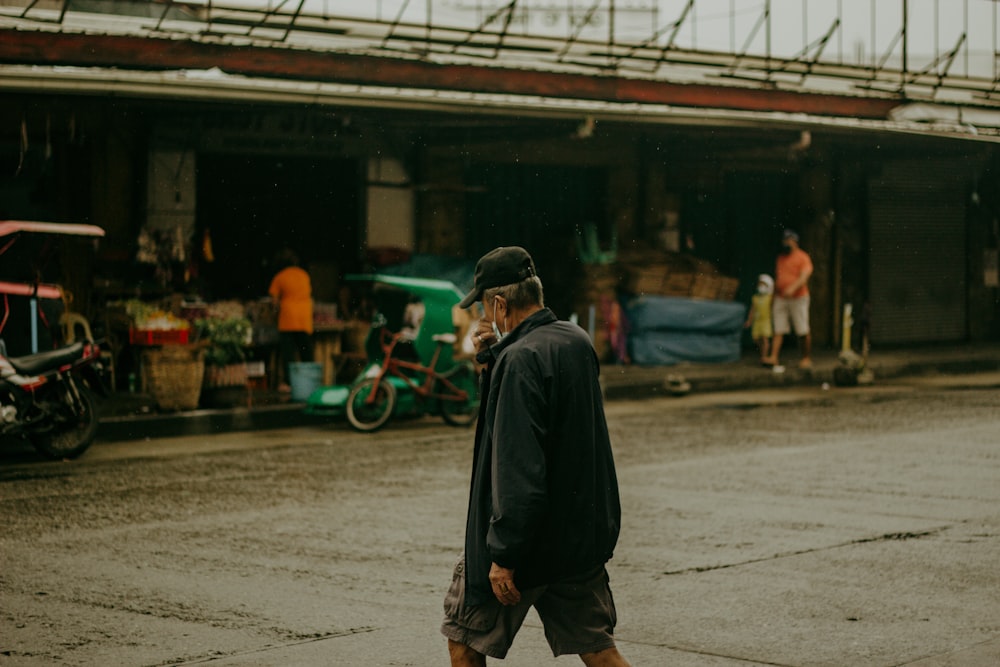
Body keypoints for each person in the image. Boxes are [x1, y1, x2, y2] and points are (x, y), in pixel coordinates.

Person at [441, 246, 629, 667]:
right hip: (577, 538)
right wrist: (494, 360)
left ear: (502, 304)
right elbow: (556, 428)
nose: (485, 319)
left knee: (464, 642)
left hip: (528, 545)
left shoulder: (520, 358)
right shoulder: (574, 340)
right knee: (598, 649)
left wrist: (504, 554)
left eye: (487, 309)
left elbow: (519, 465)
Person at [762, 230, 813, 370]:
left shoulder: (803, 257)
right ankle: (773, 356)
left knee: (802, 328)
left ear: (794, 242)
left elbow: (804, 276)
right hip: (781, 297)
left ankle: (806, 358)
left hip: (798, 297)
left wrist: (793, 288)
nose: (786, 243)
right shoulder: (781, 258)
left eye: (788, 240)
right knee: (779, 328)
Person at [268, 248, 314, 392]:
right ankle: (310, 382)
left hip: (288, 320)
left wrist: (273, 315)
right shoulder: (304, 275)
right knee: (306, 352)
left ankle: (289, 383)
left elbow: (274, 302)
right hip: (304, 318)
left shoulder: (279, 277)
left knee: (289, 354)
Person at [744, 273, 774, 365]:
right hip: (757, 322)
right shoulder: (755, 298)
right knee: (757, 339)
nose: (760, 286)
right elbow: (752, 310)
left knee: (765, 339)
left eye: (763, 284)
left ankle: (764, 356)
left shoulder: (770, 298)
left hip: (766, 321)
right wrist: (749, 321)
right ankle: (762, 354)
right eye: (759, 284)